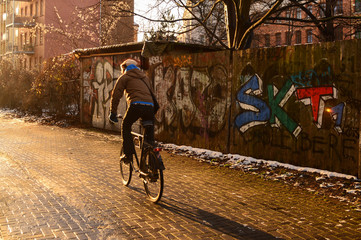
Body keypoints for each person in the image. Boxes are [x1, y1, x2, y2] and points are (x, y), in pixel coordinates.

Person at [109, 58, 155, 163]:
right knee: (150, 136)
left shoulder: (125, 77)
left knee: (125, 126)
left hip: (136, 105)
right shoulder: (145, 78)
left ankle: (128, 155)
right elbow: (153, 94)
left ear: (125, 68)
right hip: (150, 107)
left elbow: (116, 95)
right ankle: (153, 163)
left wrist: (113, 112)